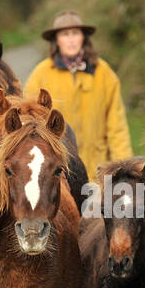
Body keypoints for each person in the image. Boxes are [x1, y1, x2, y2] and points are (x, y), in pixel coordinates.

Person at [24, 10, 133, 179]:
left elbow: (117, 128)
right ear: (56, 40)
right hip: (58, 173)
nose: (71, 39)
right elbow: (29, 125)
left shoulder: (104, 73)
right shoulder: (41, 75)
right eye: (65, 34)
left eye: (75, 33)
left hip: (98, 169)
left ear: (83, 38)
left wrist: (125, 169)